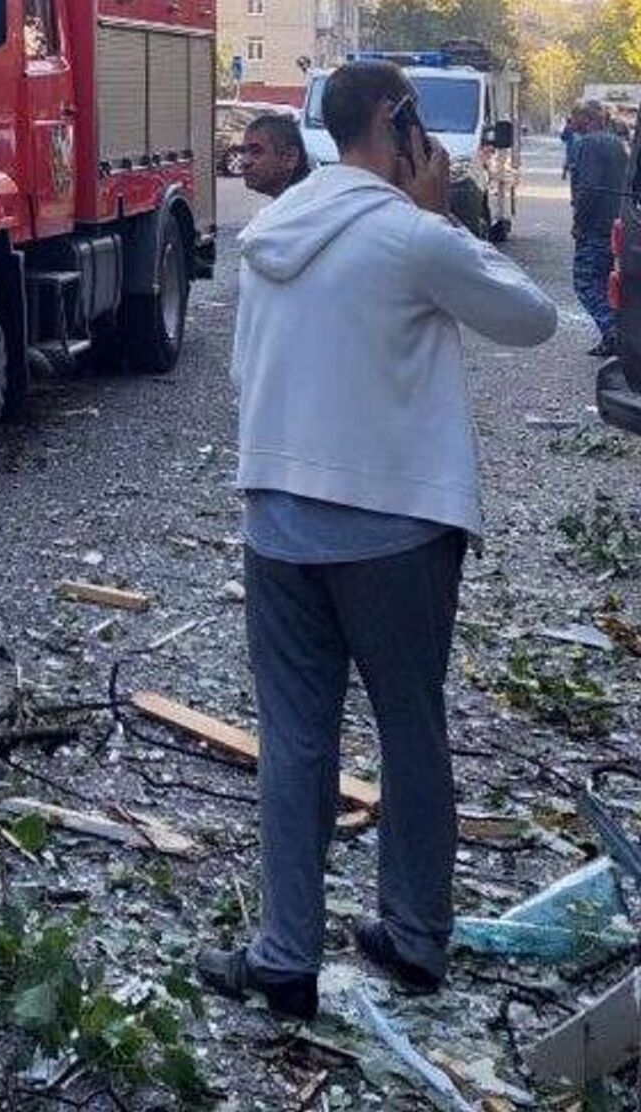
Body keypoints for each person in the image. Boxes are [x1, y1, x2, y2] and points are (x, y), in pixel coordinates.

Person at [197, 59, 555, 1022]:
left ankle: (283, 956)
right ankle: (412, 936)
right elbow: (534, 320)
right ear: (397, 123)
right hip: (395, 533)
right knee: (409, 727)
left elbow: (244, 372)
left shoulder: (269, 230)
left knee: (296, 739)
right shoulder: (411, 238)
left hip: (276, 518)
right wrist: (442, 214)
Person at [570, 100, 628, 358]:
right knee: (605, 282)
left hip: (595, 226)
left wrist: (579, 223)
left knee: (584, 282)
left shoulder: (589, 144)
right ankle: (613, 336)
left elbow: (589, 188)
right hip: (614, 222)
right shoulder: (616, 143)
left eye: (575, 117)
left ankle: (612, 332)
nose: (572, 123)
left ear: (586, 118)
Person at [238, 112, 311, 201]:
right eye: (243, 151)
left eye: (256, 152)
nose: (244, 162)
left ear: (290, 157)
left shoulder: (300, 210)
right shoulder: (304, 198)